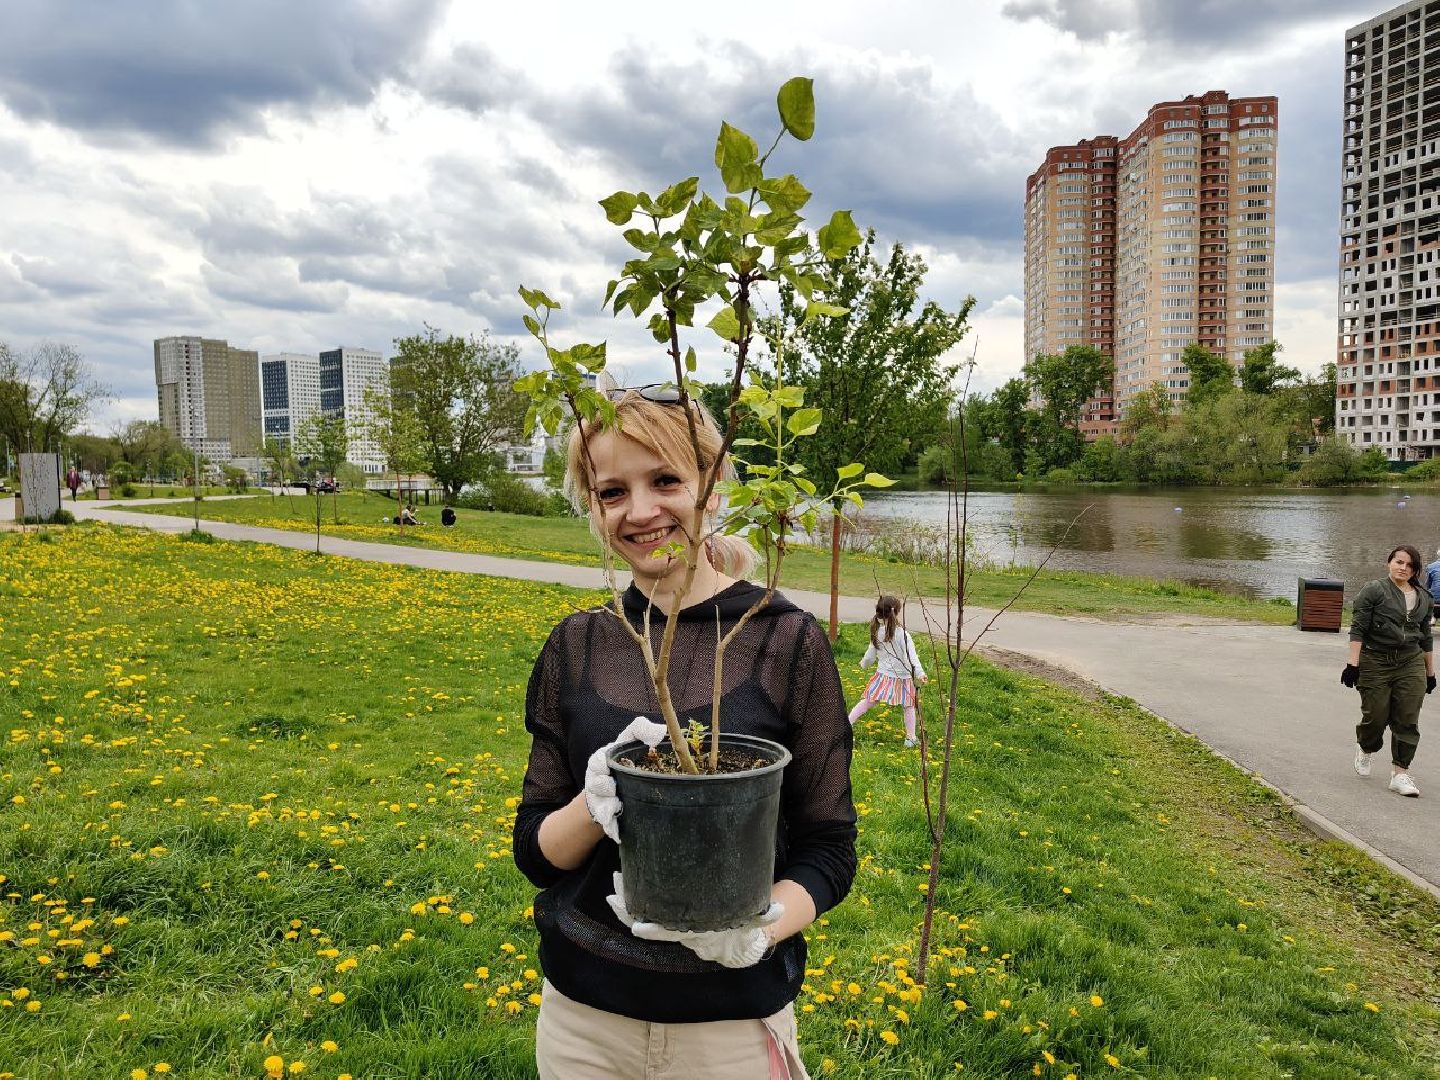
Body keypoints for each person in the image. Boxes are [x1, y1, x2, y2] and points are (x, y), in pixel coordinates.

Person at [512, 385, 856, 1079]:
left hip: (727, 1031)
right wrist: (592, 802)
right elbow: (535, 854)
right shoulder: (576, 647)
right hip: (583, 1023)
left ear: (712, 487)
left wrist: (757, 931)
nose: (640, 511)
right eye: (612, 492)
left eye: (665, 480)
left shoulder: (783, 642)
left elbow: (829, 848)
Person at [1342, 544, 1435, 797]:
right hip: (1375, 661)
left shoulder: (1424, 596)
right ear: (1389, 563)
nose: (1403, 568)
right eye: (1399, 562)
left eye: (1409, 565)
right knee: (1376, 715)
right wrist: (1353, 665)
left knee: (1407, 718)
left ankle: (1400, 773)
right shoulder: (1374, 590)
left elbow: (1426, 636)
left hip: (1410, 661)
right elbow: (1358, 628)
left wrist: (1430, 672)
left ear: (1415, 570)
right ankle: (1365, 746)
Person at [847, 595, 928, 747]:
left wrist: (864, 664)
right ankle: (910, 739)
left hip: (883, 675)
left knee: (869, 700)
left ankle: (847, 724)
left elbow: (870, 655)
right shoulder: (904, 635)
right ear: (896, 612)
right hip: (902, 677)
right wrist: (920, 673)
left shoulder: (877, 632)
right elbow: (912, 657)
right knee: (909, 706)